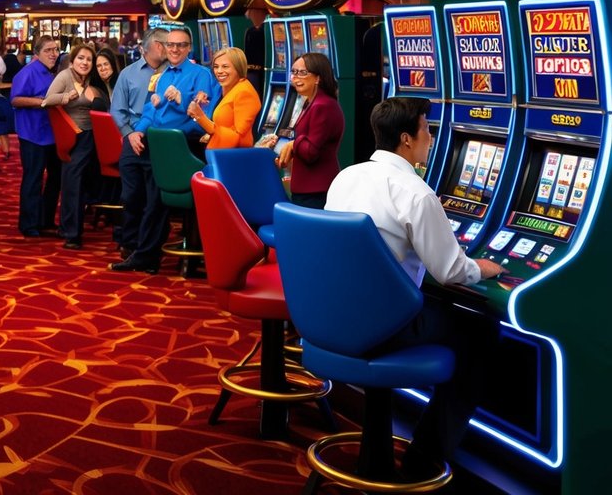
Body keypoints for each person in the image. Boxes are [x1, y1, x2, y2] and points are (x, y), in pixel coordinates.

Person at [324, 96, 505, 477]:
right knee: (481, 332)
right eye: (427, 129)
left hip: (333, 319)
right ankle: (426, 459)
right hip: (386, 329)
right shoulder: (415, 192)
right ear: (406, 138)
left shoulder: (348, 176)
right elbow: (451, 271)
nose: (431, 137)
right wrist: (486, 267)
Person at [112, 25, 219, 275]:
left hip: (183, 145)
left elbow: (204, 115)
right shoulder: (162, 75)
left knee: (156, 203)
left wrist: (182, 101)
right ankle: (144, 254)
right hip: (157, 142)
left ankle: (147, 256)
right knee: (149, 200)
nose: (174, 49)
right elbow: (151, 109)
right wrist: (138, 130)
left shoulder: (200, 74)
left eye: (181, 45)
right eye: (170, 45)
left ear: (189, 48)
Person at [109, 28, 167, 263]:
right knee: (131, 195)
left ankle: (149, 248)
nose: (170, 48)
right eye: (165, 44)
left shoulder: (173, 73)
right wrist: (129, 134)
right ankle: (129, 243)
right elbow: (117, 109)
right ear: (154, 46)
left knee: (155, 199)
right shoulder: (128, 74)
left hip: (162, 141)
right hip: (133, 138)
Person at [43, 43, 108, 249]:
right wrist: (66, 97)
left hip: (95, 135)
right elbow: (47, 100)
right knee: (72, 182)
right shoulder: (65, 76)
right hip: (74, 135)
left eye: (89, 59)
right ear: (72, 60)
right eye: (81, 58)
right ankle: (71, 233)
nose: (85, 62)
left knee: (83, 183)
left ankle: (71, 227)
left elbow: (106, 100)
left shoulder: (92, 79)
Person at [270, 52, 345, 208]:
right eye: (294, 72)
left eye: (302, 73)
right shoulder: (311, 102)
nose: (295, 78)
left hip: (316, 188)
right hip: (307, 186)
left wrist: (292, 145)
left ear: (318, 78)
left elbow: (311, 152)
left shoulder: (323, 106)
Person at [10, 35, 62, 238]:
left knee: (55, 179)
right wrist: (42, 102)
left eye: (56, 50)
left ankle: (46, 220)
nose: (53, 54)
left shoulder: (52, 73)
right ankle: (29, 224)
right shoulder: (28, 73)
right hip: (32, 134)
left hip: (51, 134)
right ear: (37, 53)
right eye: (48, 50)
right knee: (33, 179)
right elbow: (15, 100)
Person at [186, 46, 262, 149]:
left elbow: (238, 137)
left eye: (225, 66)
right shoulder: (226, 88)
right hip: (219, 152)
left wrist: (201, 118)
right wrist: (212, 135)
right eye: (216, 67)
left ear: (238, 67)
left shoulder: (244, 92)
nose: (219, 71)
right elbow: (225, 126)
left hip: (234, 157)